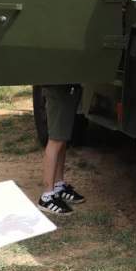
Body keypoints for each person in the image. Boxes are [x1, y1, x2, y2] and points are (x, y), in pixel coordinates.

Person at [37, 85, 86, 215]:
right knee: (56, 140)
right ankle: (47, 197)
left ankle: (58, 186)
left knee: (62, 139)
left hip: (66, 87)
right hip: (58, 88)